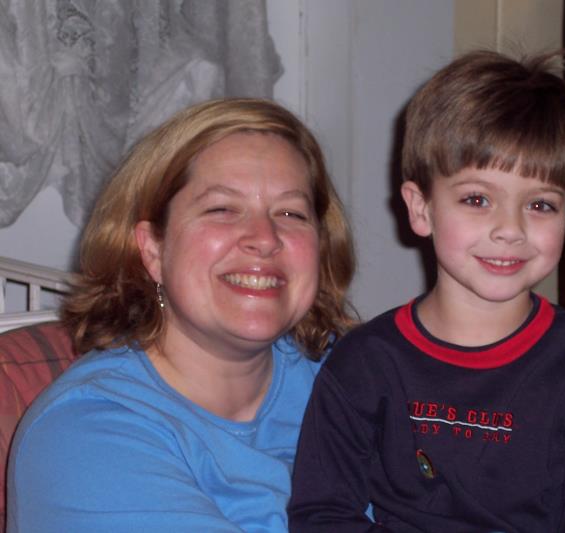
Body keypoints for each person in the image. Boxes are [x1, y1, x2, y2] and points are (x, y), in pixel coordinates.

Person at [288, 51, 565, 532]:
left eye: (540, 205)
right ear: (421, 208)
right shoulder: (364, 364)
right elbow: (322, 515)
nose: (510, 229)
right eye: (477, 199)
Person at [7, 98, 355, 532]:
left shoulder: (357, 378)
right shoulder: (84, 436)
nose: (265, 238)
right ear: (153, 250)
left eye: (290, 213)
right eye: (221, 209)